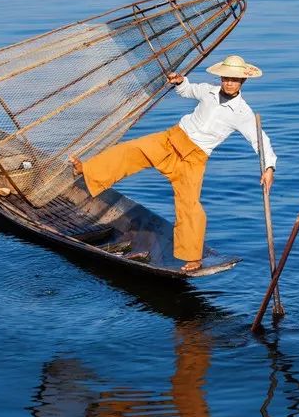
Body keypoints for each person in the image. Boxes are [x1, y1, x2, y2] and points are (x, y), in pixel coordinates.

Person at [70, 55, 276, 273]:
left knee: (190, 207)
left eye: (234, 80)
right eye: (226, 78)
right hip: (171, 139)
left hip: (193, 158)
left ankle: (193, 258)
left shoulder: (243, 113)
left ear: (242, 81)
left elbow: (260, 139)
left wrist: (268, 167)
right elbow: (189, 90)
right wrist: (180, 82)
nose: (229, 83)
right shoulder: (208, 90)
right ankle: (88, 169)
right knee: (130, 150)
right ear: (221, 77)